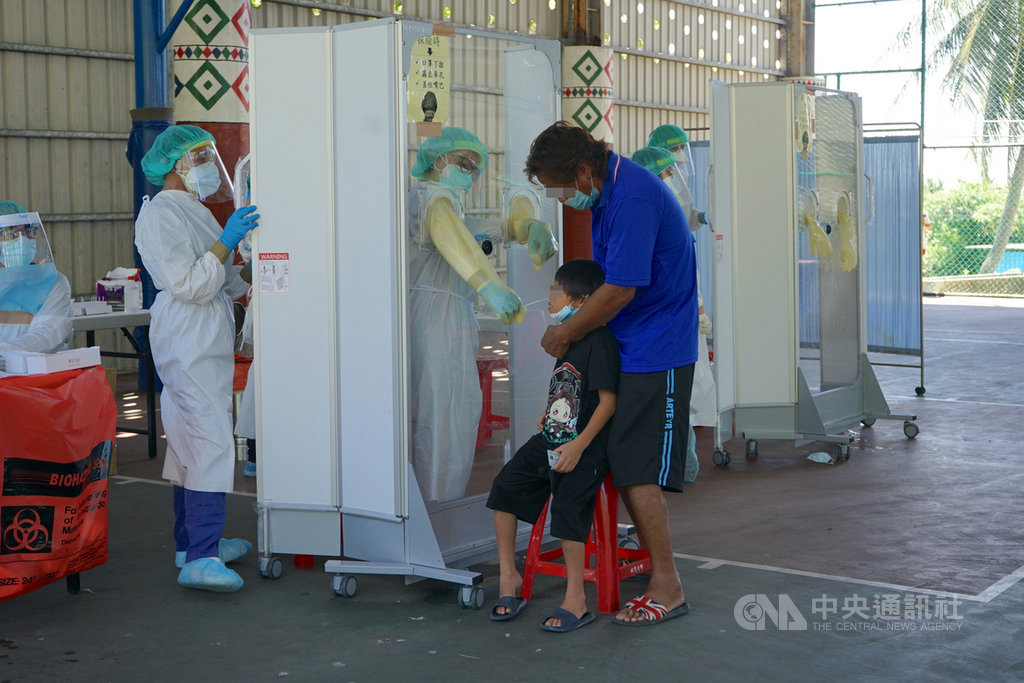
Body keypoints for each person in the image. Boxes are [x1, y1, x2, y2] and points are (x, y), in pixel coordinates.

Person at [525, 121, 698, 626]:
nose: (559, 198)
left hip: (658, 347)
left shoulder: (633, 197)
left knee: (639, 467)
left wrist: (566, 332)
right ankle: (655, 566)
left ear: (582, 170)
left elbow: (621, 288)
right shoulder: (609, 192)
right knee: (623, 460)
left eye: (559, 187)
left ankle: (669, 586)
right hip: (630, 340)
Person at [135, 124, 258, 592]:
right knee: (208, 438)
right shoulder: (162, 213)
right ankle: (202, 557)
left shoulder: (193, 209)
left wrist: (251, 283)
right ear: (173, 165)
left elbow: (221, 276)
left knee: (190, 438)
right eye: (199, 158)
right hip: (188, 332)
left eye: (210, 158)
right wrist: (227, 242)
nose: (209, 167)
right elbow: (190, 283)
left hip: (203, 331)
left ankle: (193, 543)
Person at [408, 126, 556, 503]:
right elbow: (452, 237)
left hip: (445, 319)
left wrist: (527, 225)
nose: (469, 173)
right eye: (462, 163)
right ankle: (434, 504)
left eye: (475, 168)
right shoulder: (431, 198)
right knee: (440, 415)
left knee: (449, 411)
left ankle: (434, 502)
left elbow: (480, 232)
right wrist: (488, 286)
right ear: (435, 162)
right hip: (432, 320)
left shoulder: (448, 204)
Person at [486, 259, 618, 633]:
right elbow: (567, 390)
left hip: (586, 446)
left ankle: (575, 599)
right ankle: (508, 577)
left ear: (582, 299)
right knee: (504, 487)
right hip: (553, 437)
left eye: (556, 293)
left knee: (568, 504)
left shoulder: (601, 342)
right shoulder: (566, 341)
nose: (550, 302)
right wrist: (549, 413)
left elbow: (607, 403)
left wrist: (578, 445)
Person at [630, 146, 717, 482]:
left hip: (676, 319)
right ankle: (677, 465)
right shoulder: (647, 216)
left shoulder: (668, 215)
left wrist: (698, 308)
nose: (673, 178)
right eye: (666, 172)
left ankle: (680, 465)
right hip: (665, 322)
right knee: (672, 396)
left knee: (680, 395)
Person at [0, 201, 73, 355]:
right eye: (11, 233)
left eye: (28, 232)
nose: (22, 240)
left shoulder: (52, 282)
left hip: (37, 373)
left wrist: (4, 352)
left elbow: (48, 336)